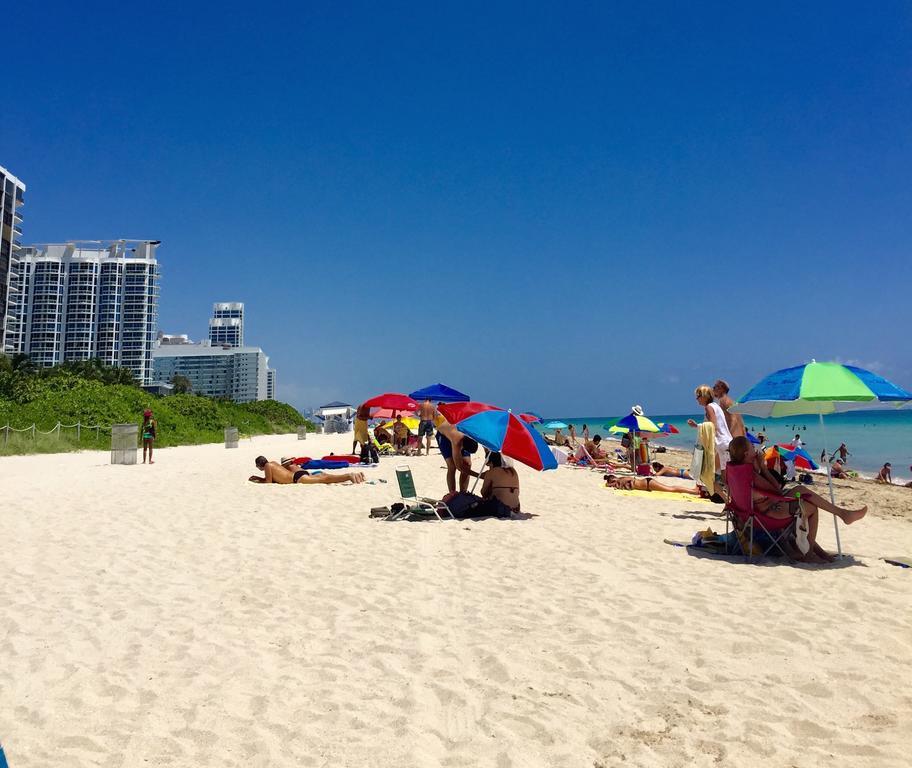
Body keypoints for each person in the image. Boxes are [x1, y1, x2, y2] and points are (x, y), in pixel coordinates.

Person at [727, 436, 866, 563]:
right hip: (766, 515)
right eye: (752, 447)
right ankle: (810, 553)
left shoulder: (737, 470)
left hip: (751, 514)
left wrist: (758, 468)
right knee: (811, 508)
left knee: (801, 491)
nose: (755, 448)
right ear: (746, 454)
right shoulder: (751, 474)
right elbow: (776, 490)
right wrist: (763, 469)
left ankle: (823, 549)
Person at [688, 385, 734, 470]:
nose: (696, 399)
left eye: (698, 396)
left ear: (704, 396)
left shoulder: (709, 407)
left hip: (720, 444)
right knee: (723, 473)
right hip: (727, 441)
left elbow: (713, 426)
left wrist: (707, 446)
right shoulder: (716, 406)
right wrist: (696, 425)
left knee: (714, 474)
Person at [248, 456, 366, 484]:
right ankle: (358, 475)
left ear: (259, 465)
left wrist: (257, 479)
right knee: (323, 476)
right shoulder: (273, 463)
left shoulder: (268, 466)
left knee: (324, 479)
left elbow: (268, 482)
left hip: (296, 478)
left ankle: (349, 476)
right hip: (298, 473)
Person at [436, 418, 479, 493]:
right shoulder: (456, 441)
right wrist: (480, 476)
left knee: (467, 464)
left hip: (457, 431)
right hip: (443, 436)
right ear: (462, 446)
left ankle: (463, 492)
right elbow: (459, 467)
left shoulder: (470, 435)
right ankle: (452, 493)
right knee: (452, 466)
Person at [479, 451, 521, 516]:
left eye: (487, 463)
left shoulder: (491, 472)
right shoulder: (513, 471)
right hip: (516, 508)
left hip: (500, 507)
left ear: (491, 462)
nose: (486, 465)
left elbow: (483, 493)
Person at [604, 474, 704, 496]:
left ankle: (694, 491)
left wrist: (613, 484)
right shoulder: (620, 482)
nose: (613, 484)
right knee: (671, 488)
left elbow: (629, 484)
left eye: (613, 481)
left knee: (671, 489)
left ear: (614, 478)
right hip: (647, 483)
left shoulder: (623, 479)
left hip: (647, 483)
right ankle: (694, 490)